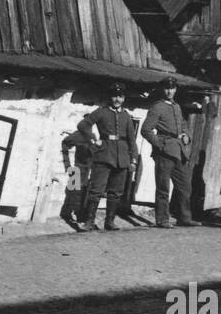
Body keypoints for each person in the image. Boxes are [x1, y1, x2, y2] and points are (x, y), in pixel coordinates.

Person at [78, 83, 139, 231]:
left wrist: (133, 159)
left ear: (123, 98)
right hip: (104, 156)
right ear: (110, 97)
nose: (117, 99)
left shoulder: (126, 116)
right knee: (96, 190)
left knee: (116, 192)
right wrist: (93, 139)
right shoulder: (101, 112)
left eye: (120, 96)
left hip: (122, 158)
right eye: (114, 96)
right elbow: (83, 125)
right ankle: (89, 221)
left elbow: (132, 140)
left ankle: (109, 221)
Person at [142, 76, 196, 228]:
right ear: (162, 89)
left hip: (178, 151)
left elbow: (183, 125)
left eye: (172, 88)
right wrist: (160, 144)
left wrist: (187, 136)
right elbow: (146, 130)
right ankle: (162, 219)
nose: (169, 91)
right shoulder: (157, 107)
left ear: (175, 89)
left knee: (185, 186)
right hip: (164, 152)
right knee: (163, 187)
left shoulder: (177, 107)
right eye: (166, 88)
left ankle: (184, 217)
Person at [57, 125, 93, 232]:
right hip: (78, 169)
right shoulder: (78, 135)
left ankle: (82, 218)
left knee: (87, 194)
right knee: (76, 193)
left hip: (91, 170)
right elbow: (65, 144)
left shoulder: (94, 136)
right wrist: (67, 165)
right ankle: (74, 217)